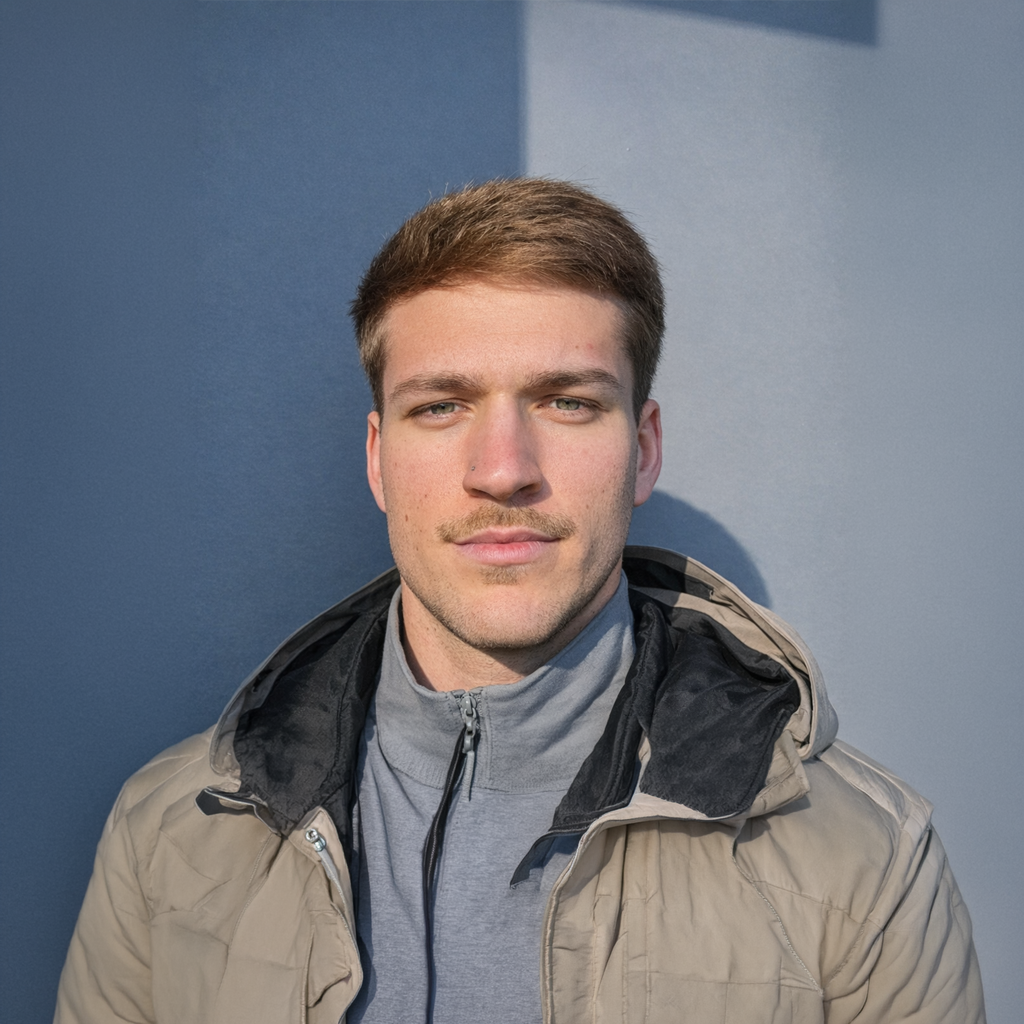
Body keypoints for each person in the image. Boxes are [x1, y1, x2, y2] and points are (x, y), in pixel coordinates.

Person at [55, 178, 985, 1024]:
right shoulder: (171, 831)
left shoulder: (863, 860)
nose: (503, 471)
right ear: (378, 458)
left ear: (644, 448)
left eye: (567, 402)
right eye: (441, 406)